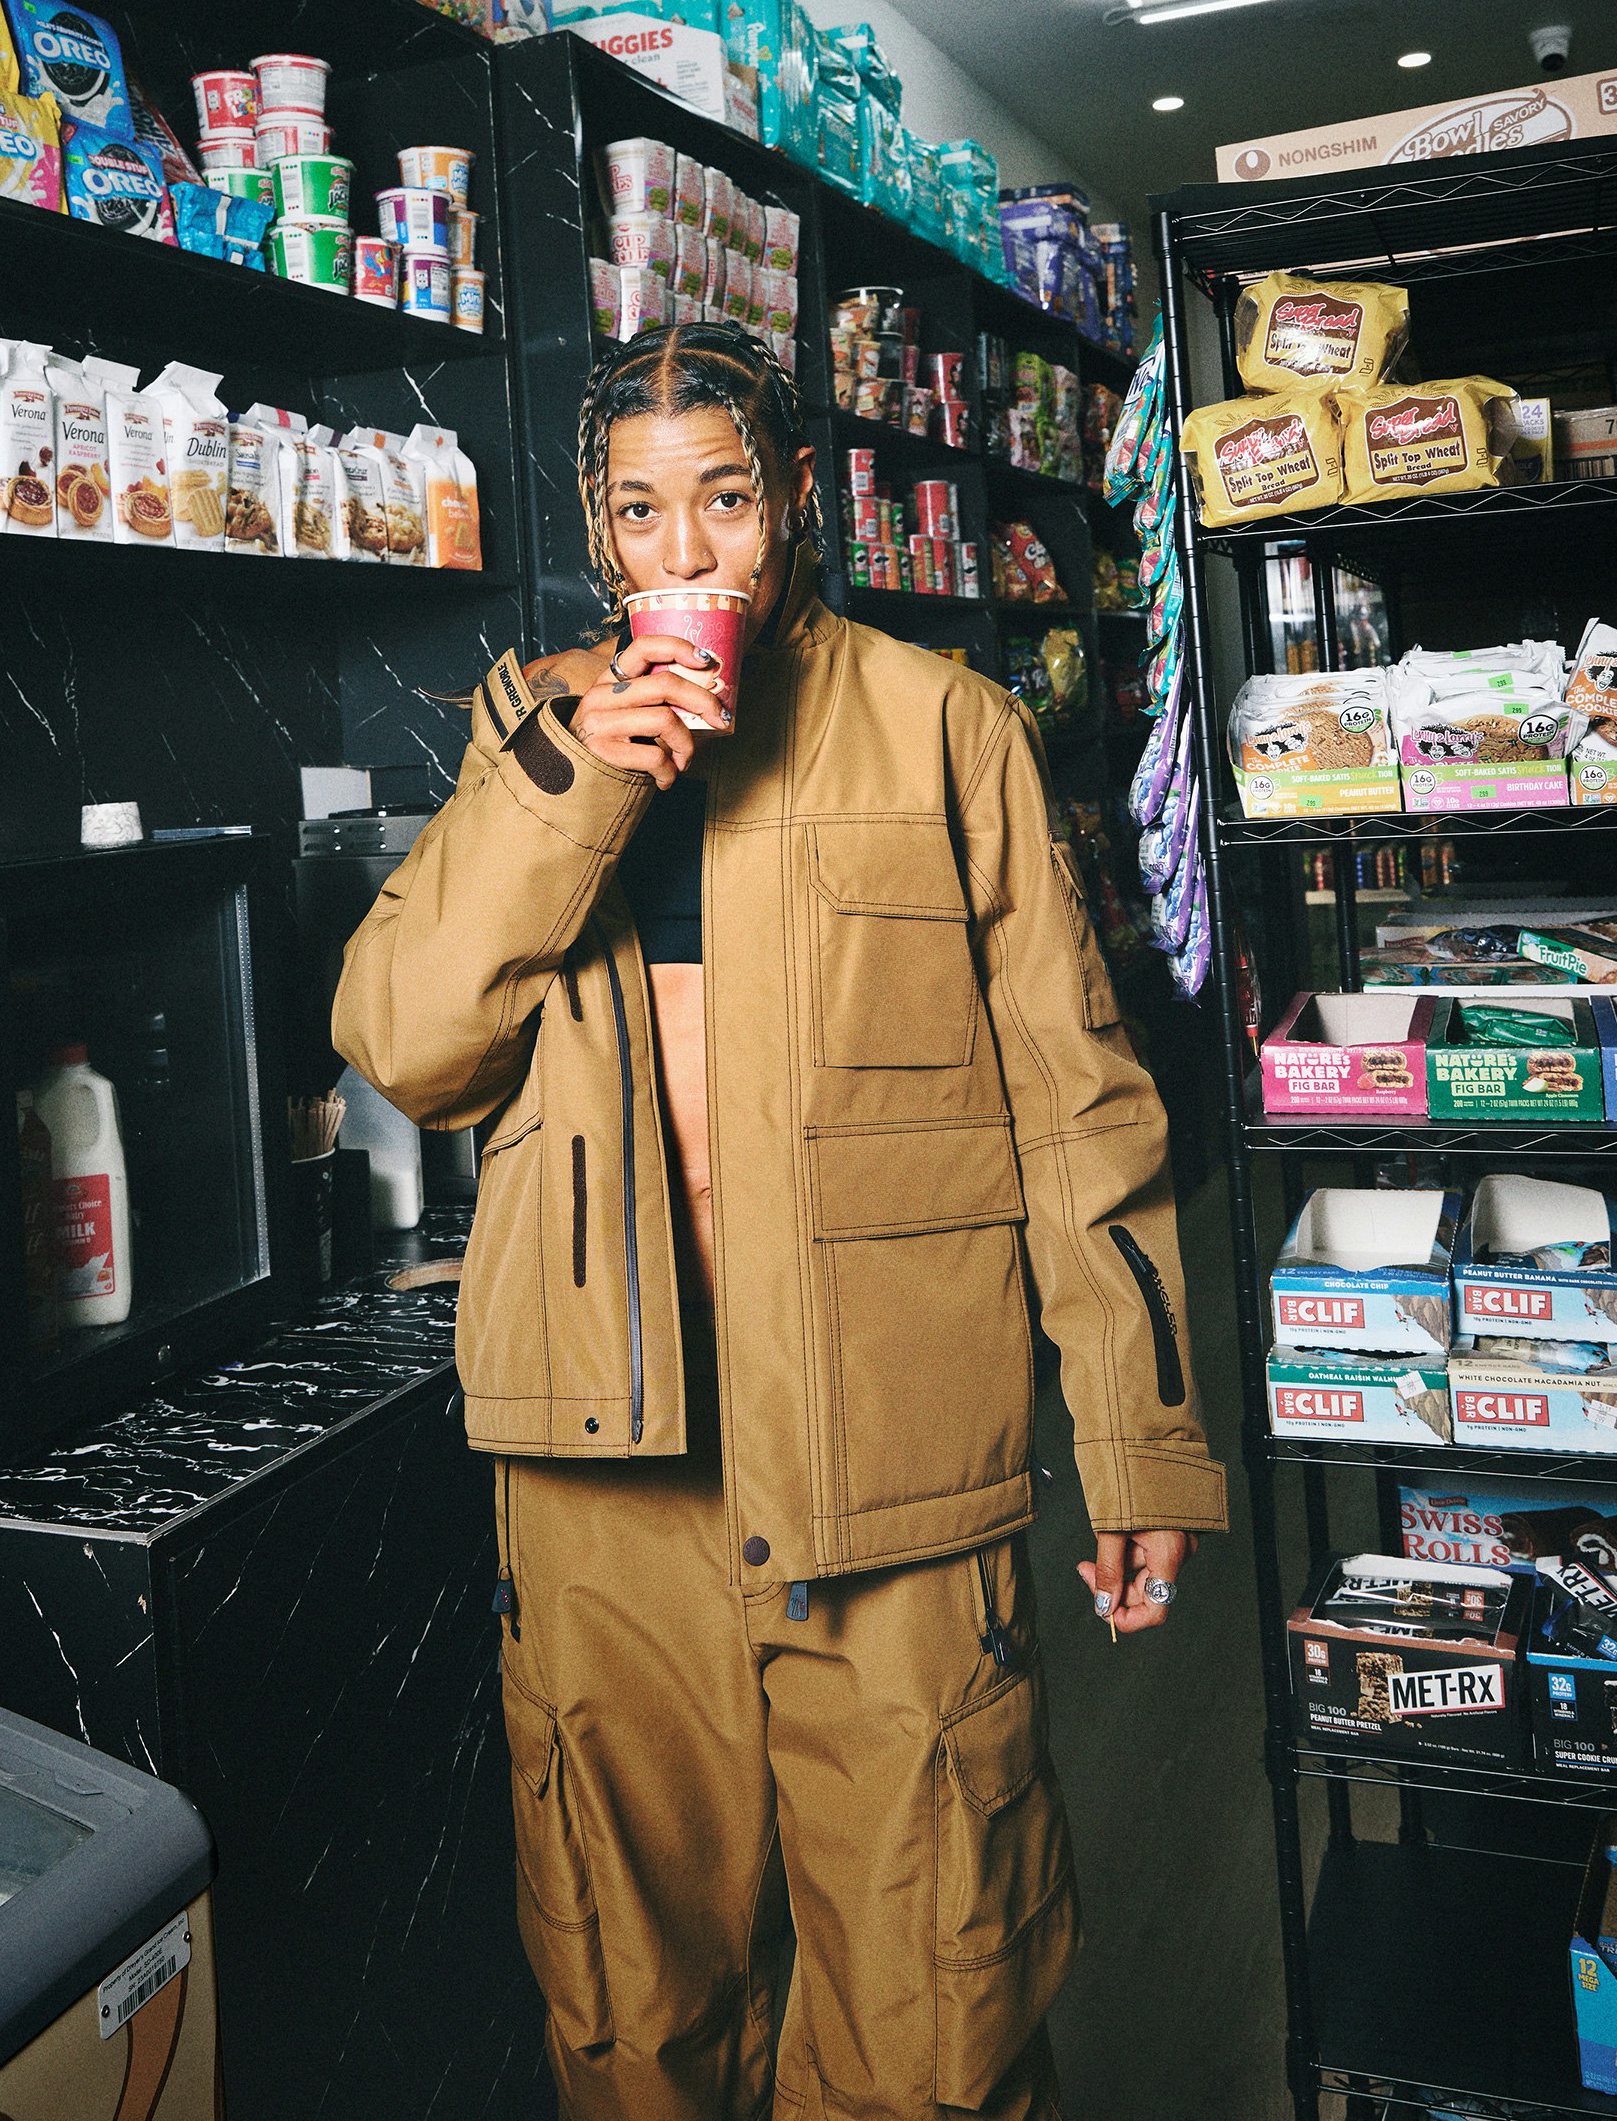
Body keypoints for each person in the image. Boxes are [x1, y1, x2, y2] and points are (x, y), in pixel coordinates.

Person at [335, 320, 1224, 2121]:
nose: (687, 554)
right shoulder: (527, 731)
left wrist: (1139, 1441)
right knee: (632, 2009)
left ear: (796, 498)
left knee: (934, 2016)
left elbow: (1080, 1116)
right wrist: (579, 783)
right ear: (598, 526)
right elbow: (407, 1047)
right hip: (606, 1486)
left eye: (726, 500)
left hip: (890, 1469)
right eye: (641, 512)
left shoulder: (946, 728)